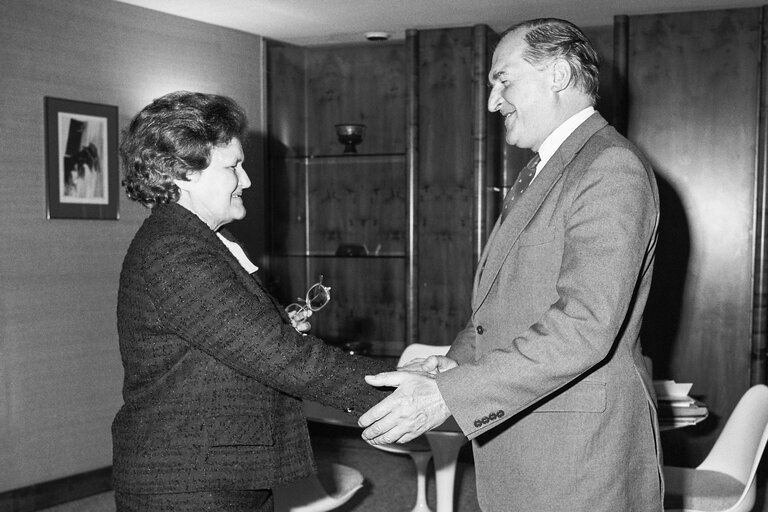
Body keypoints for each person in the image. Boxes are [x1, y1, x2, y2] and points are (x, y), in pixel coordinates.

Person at [359, 18, 662, 511]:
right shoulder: (550, 167)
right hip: (532, 442)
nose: (492, 101)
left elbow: (584, 327)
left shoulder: (609, 167)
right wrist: (457, 361)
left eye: (503, 79)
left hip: (576, 455)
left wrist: (448, 396)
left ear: (558, 75)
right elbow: (506, 303)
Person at [112, 90, 393, 511]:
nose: (246, 180)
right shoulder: (175, 251)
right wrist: (399, 382)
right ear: (182, 172)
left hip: (219, 470)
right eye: (234, 167)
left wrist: (274, 322)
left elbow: (240, 337)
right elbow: (282, 357)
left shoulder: (197, 242)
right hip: (190, 481)